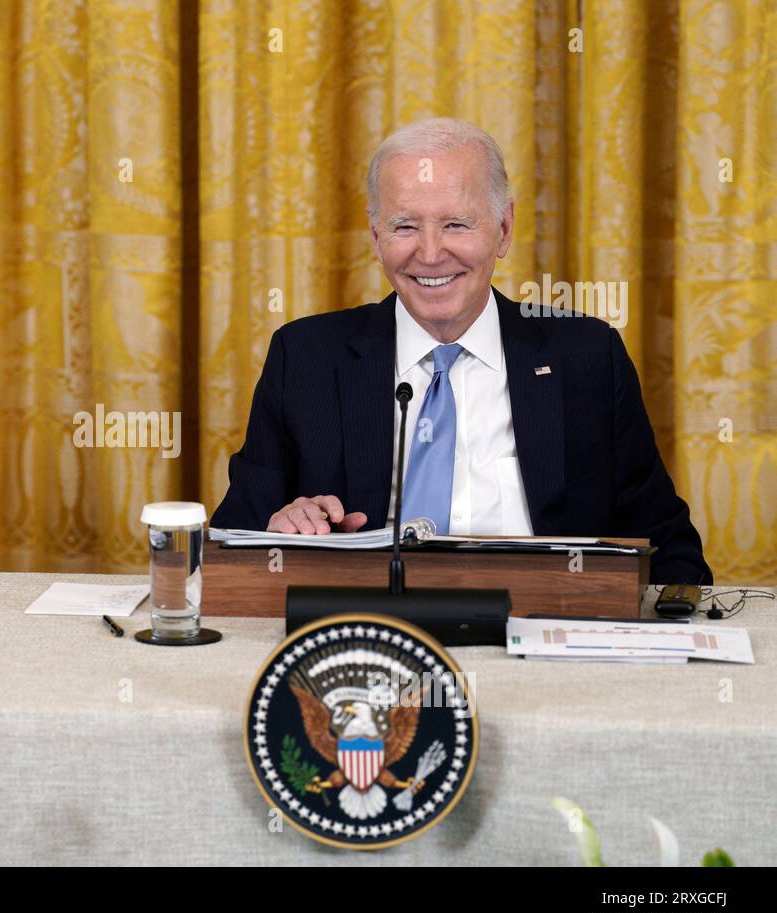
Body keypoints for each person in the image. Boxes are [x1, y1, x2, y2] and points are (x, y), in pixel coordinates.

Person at [210, 117, 710, 585]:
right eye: (405, 226)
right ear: (375, 235)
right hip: (367, 631)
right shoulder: (305, 357)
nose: (429, 253)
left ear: (504, 230)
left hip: (543, 634)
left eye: (456, 224)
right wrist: (279, 530)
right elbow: (231, 545)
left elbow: (669, 551)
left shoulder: (587, 356)